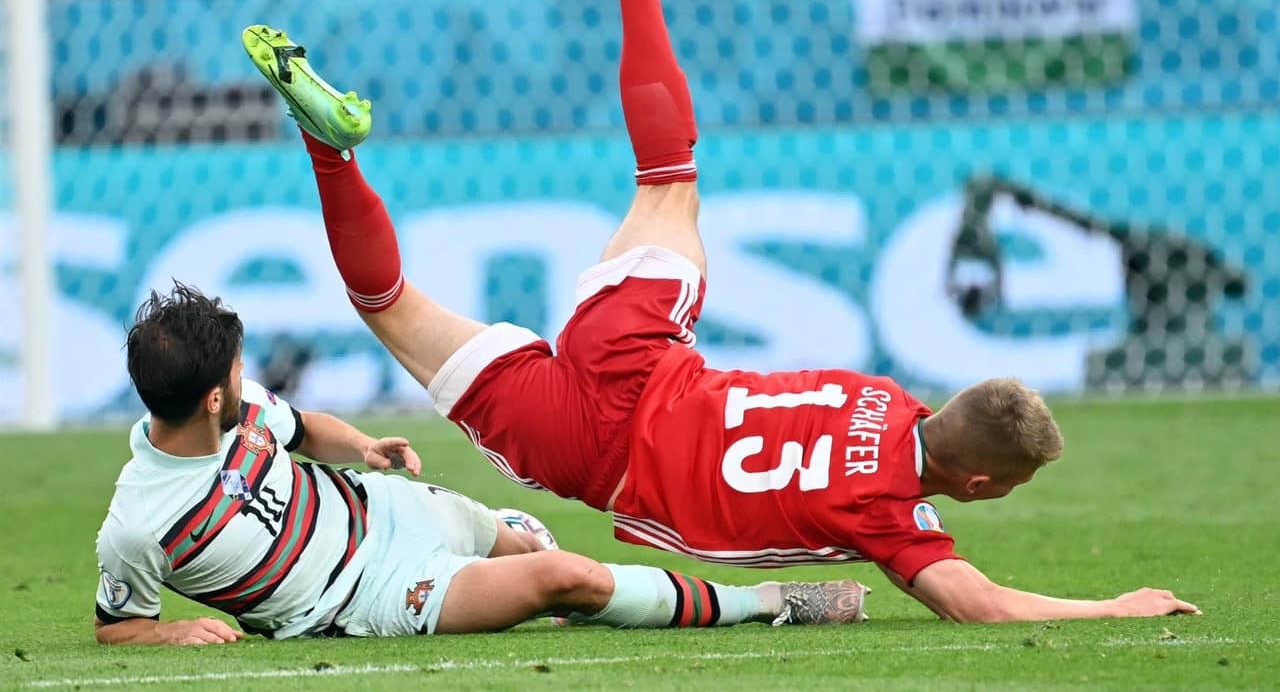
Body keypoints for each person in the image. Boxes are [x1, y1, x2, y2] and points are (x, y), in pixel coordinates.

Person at [240, 0, 1200, 624]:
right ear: (981, 484)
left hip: (639, 349)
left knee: (668, 176)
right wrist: (1115, 607)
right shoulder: (887, 512)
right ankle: (330, 149)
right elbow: (977, 601)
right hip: (590, 450)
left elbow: (917, 443)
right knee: (392, 304)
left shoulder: (878, 395)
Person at [94, 283, 871, 645]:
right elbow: (115, 628)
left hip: (393, 510)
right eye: (233, 370)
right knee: (566, 576)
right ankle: (767, 599)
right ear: (207, 399)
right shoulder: (136, 525)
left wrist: (361, 446)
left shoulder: (241, 406)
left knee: (529, 552)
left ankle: (508, 538)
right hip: (370, 596)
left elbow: (304, 431)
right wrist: (172, 632)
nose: (244, 375)